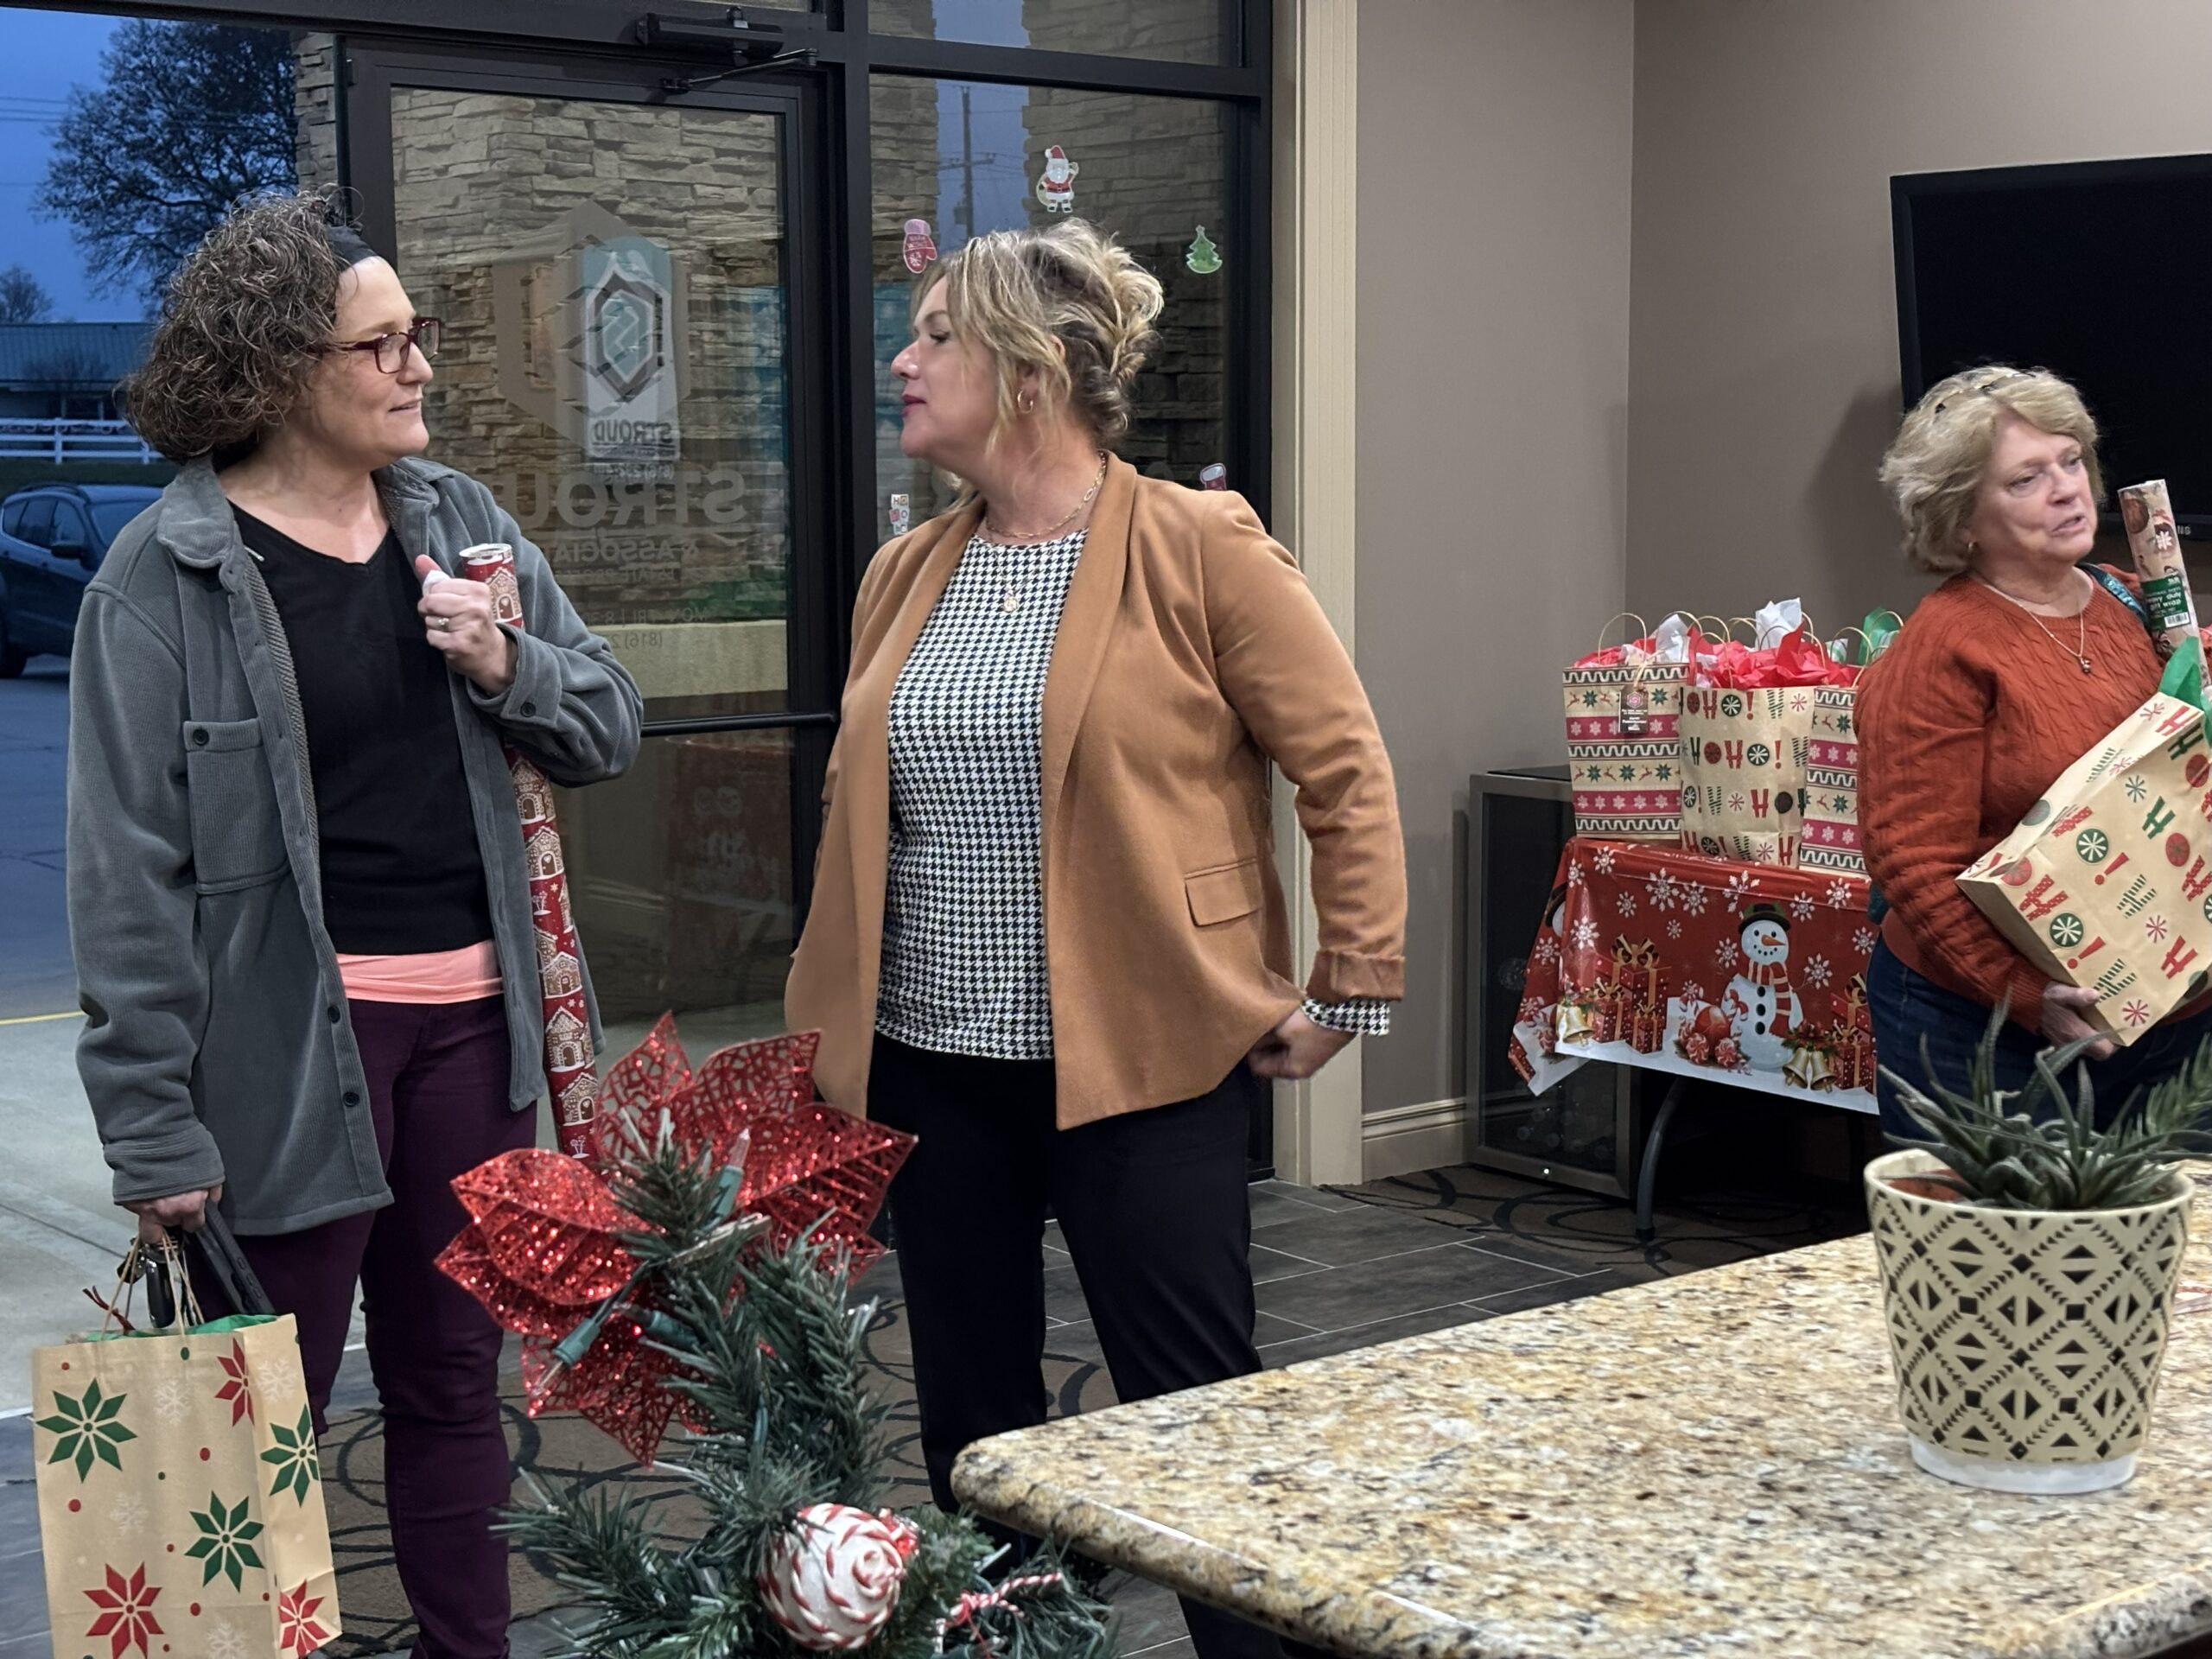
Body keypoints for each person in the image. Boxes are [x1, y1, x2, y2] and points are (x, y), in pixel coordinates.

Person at [786, 219, 1407, 1659]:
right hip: (935, 1068)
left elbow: (1345, 768)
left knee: (1195, 1427)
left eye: (937, 334)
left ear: (1031, 371)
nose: (903, 359)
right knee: (979, 1437)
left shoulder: (1199, 545)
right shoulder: (904, 571)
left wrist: (1353, 986)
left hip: (1150, 1055)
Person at [69, 190, 641, 1659]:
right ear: (277, 371)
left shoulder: (464, 529)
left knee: (453, 1383)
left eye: (416, 333)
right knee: (257, 1418)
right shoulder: (163, 576)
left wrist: (506, 660)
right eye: (379, 343)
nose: (418, 366)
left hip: (474, 1044)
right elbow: (126, 877)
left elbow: (607, 722)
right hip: (281, 1062)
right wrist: (151, 1126)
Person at [1859, 364, 2212, 1138]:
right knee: (2006, 1223)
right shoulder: (1942, 649)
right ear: (1961, 520)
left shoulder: (2133, 604)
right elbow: (1912, 863)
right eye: (2026, 478)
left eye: (2071, 461)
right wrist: (2020, 992)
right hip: (1984, 1028)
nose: (2067, 490)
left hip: (2166, 1016)